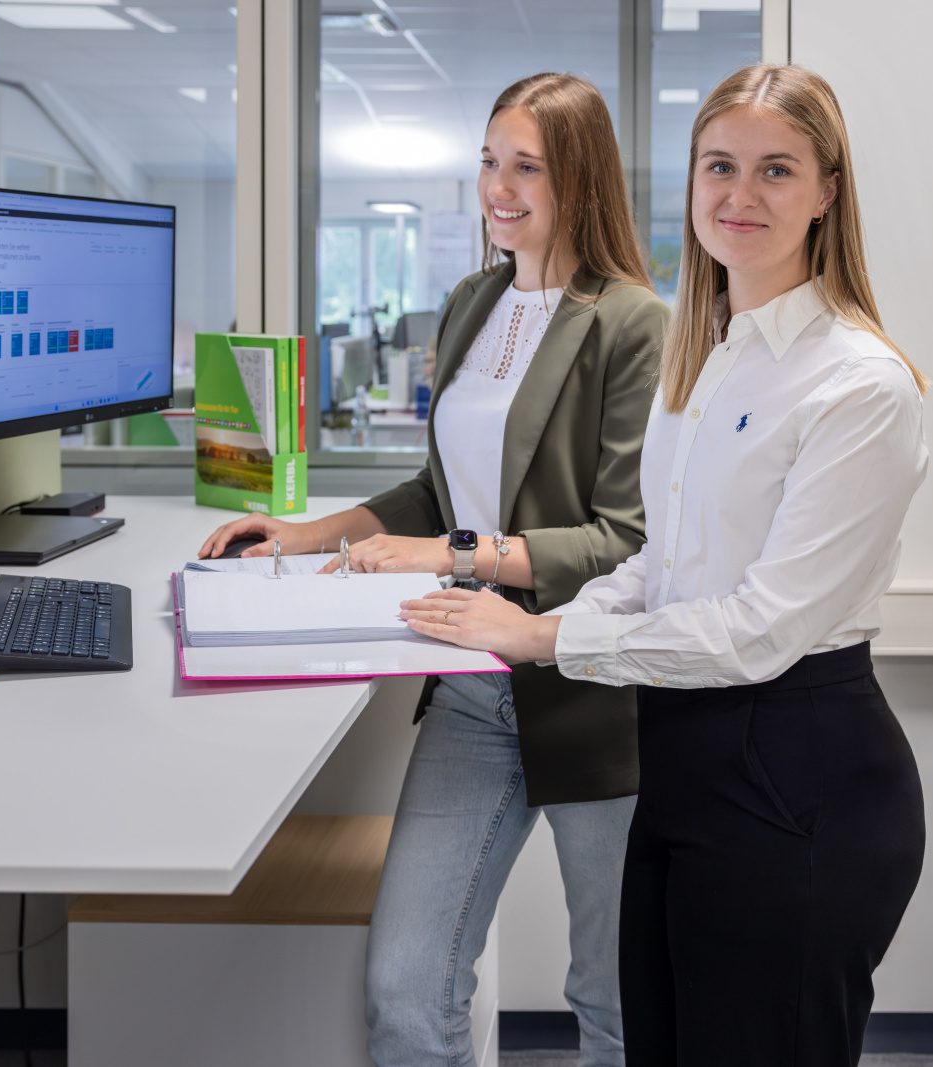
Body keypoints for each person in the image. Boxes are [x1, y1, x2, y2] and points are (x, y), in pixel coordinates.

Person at [402, 62, 930, 1066]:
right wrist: (564, 615)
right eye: (717, 166)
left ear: (826, 192)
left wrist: (541, 632)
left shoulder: (859, 384)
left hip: (797, 768)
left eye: (776, 170)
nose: (739, 196)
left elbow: (758, 628)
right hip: (681, 757)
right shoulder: (709, 356)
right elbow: (657, 560)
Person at [199, 73, 669, 1067]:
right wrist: (303, 532)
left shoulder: (632, 323)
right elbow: (438, 487)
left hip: (594, 690)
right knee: (406, 991)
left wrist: (453, 554)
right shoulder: (472, 299)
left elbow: (624, 538)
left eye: (526, 166)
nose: (498, 187)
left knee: (615, 999)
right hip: (471, 689)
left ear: (578, 177)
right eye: (489, 161)